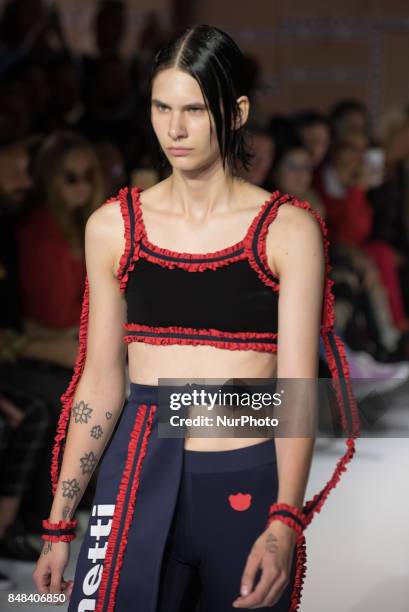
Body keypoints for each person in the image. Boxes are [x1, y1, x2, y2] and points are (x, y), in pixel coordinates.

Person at [33, 25, 359, 611]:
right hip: (133, 476)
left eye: (194, 109)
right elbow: (102, 380)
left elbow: (294, 388)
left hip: (246, 477)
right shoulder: (113, 227)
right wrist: (60, 522)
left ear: (235, 113)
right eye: (162, 107)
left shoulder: (287, 231)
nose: (174, 129)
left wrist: (285, 518)